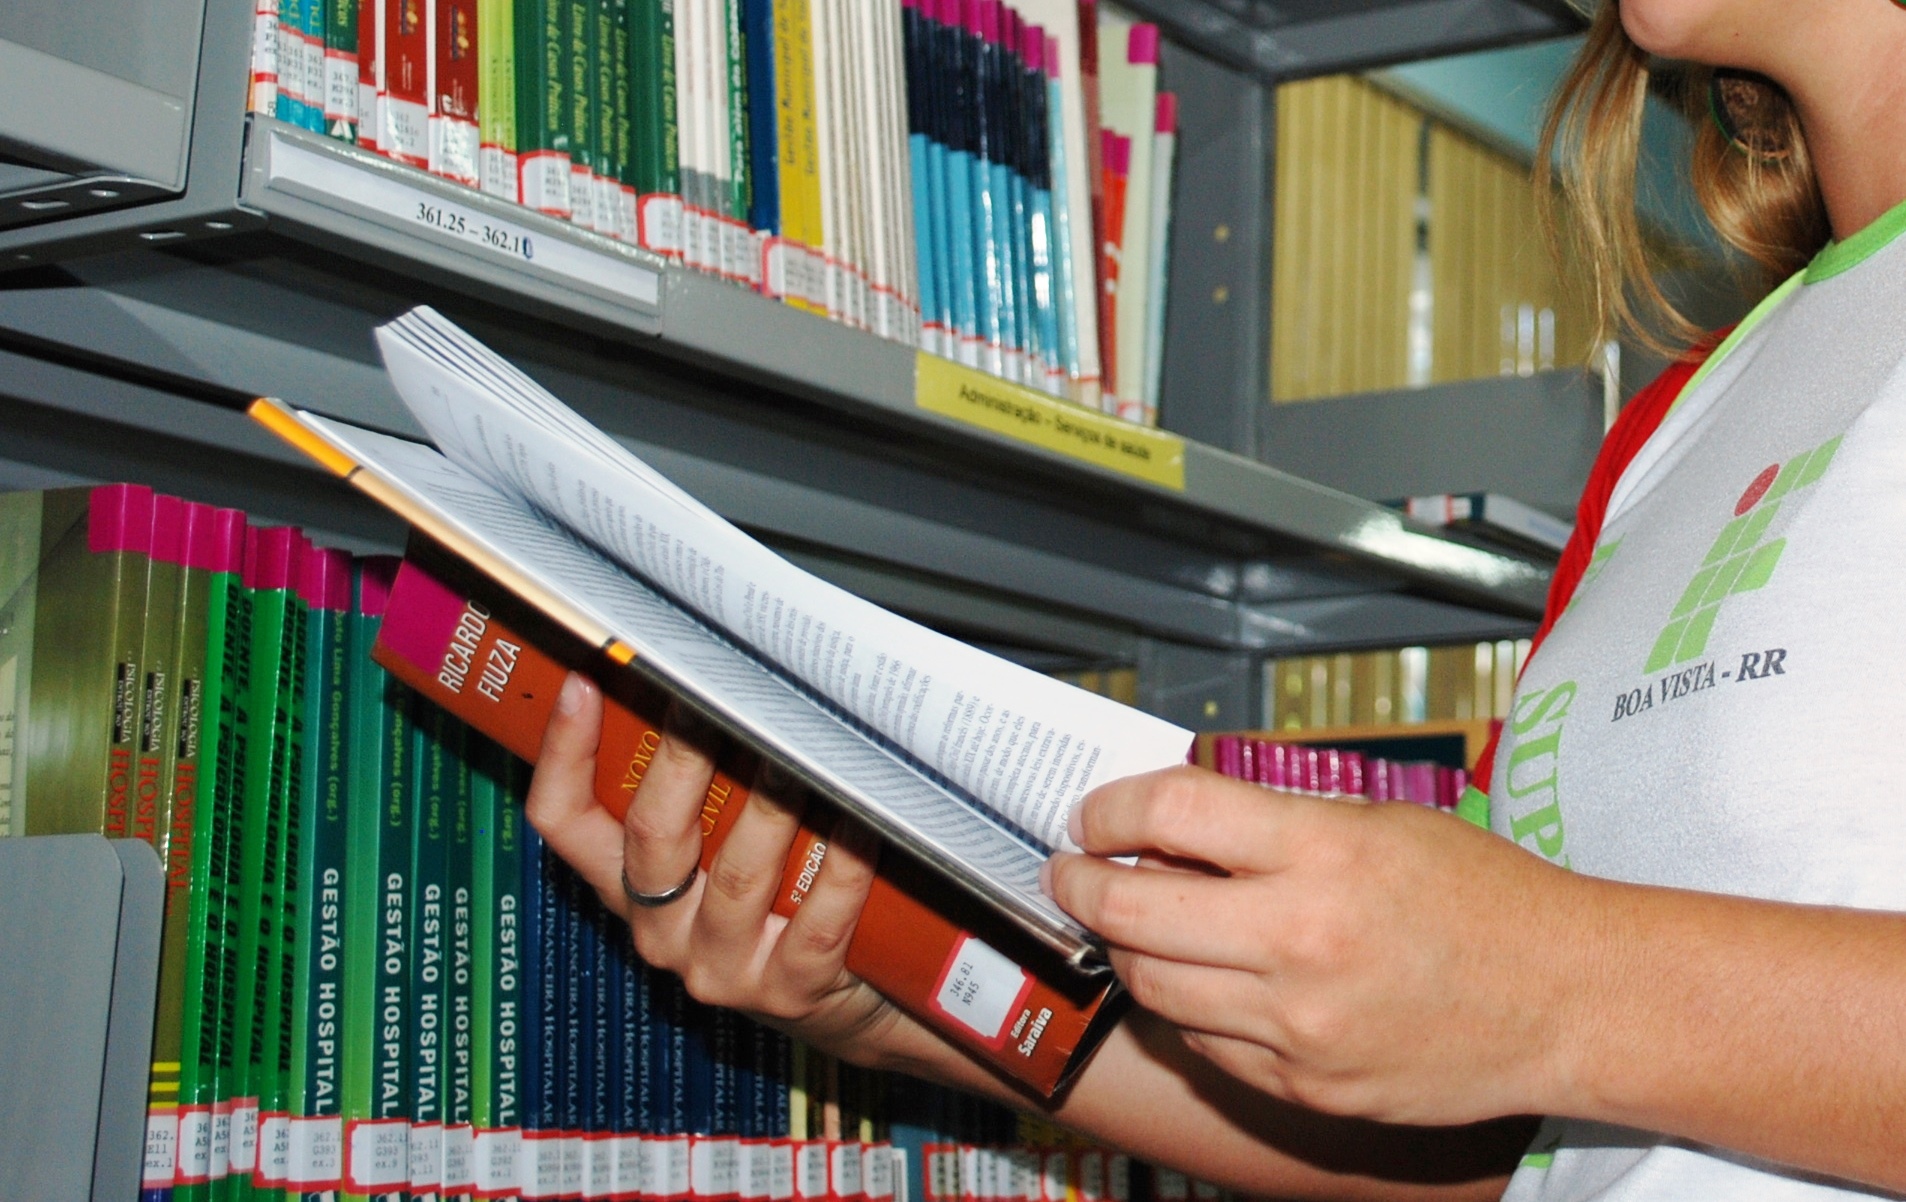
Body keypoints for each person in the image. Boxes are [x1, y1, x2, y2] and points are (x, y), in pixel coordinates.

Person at [523, 0, 1906, 1196]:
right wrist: (905, 999)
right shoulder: (1676, 427)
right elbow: (1508, 1125)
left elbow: (1555, 1010)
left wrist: (1561, 982)